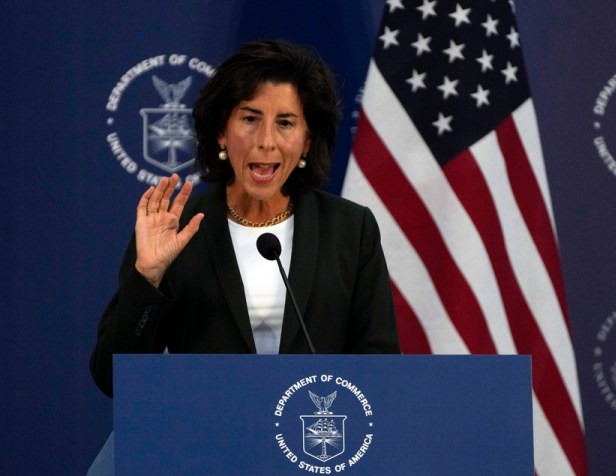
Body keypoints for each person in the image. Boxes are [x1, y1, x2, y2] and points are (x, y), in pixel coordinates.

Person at [90, 40, 400, 397]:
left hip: (312, 438)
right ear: (222, 131)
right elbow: (111, 378)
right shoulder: (176, 227)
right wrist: (148, 279)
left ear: (307, 141)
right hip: (207, 438)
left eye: (285, 122)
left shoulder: (350, 229)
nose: (266, 141)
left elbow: (380, 368)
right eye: (250, 119)